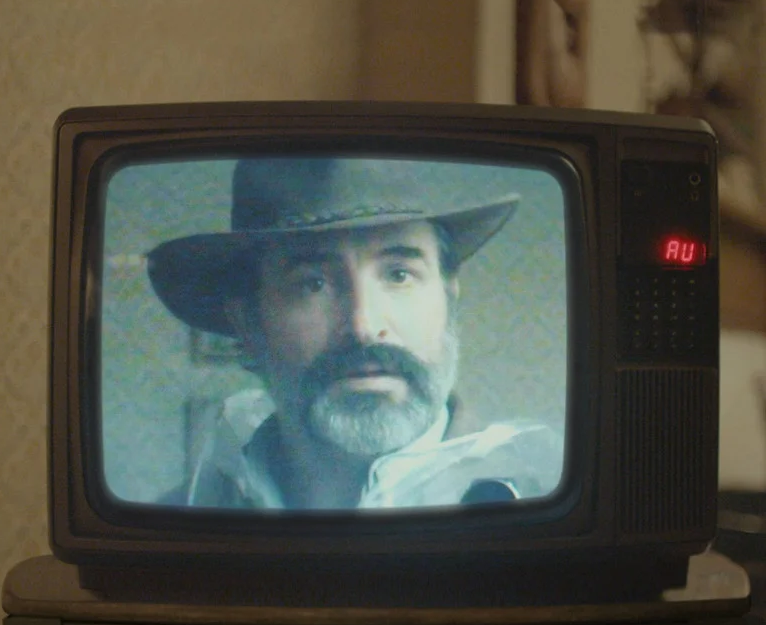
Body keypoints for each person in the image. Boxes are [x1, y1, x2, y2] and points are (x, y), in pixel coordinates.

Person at [147, 156, 563, 510]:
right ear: (248, 323)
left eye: (399, 275)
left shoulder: (548, 502)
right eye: (313, 284)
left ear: (448, 296)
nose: (364, 327)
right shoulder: (174, 530)